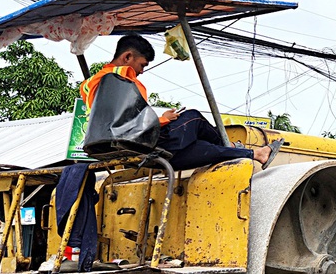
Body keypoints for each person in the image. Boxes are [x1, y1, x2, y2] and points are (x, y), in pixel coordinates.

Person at [80, 34, 281, 171]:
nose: (141, 71)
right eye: (142, 65)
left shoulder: (88, 84)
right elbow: (130, 124)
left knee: (202, 148)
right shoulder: (123, 77)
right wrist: (164, 119)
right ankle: (227, 143)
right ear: (127, 57)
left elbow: (114, 119)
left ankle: (255, 153)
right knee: (193, 117)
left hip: (117, 150)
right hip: (141, 145)